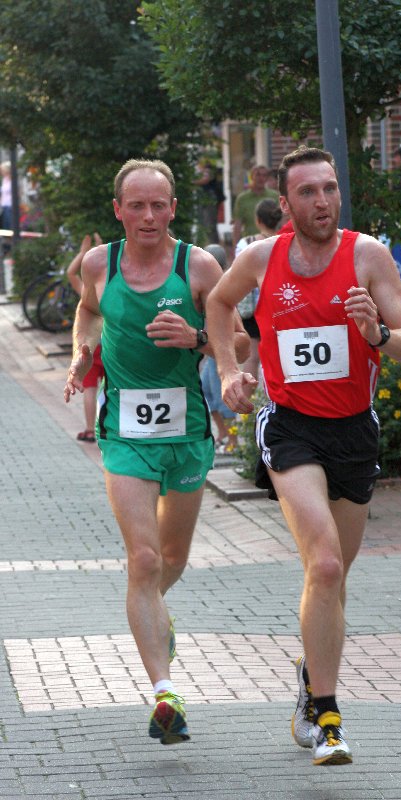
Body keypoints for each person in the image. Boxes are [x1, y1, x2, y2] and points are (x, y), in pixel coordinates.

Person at [206, 145, 401, 766]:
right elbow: (218, 303)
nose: (322, 201)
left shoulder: (367, 256)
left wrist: (377, 333)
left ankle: (311, 674)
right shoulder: (262, 258)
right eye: (308, 192)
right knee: (324, 565)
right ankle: (327, 718)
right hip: (289, 425)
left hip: (354, 429)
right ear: (285, 203)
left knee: (334, 578)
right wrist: (229, 369)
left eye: (329, 189)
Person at [63, 158, 249, 745]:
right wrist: (81, 351)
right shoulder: (99, 264)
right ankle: (165, 692)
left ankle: (152, 616)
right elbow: (88, 311)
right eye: (137, 205)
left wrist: (198, 338)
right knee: (143, 560)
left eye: (158, 205)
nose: (148, 215)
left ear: (173, 209)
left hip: (187, 435)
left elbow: (241, 341)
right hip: (124, 434)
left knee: (171, 558)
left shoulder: (200, 267)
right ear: (118, 210)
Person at [235, 198, 283, 381]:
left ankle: (250, 396)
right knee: (279, 351)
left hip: (252, 307)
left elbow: (237, 273)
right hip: (278, 304)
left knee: (252, 355)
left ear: (258, 220)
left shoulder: (245, 243)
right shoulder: (285, 242)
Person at [200, 244, 238, 452]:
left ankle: (233, 441)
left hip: (220, 347)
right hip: (209, 347)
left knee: (222, 395)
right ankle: (223, 434)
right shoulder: (204, 280)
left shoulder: (224, 283)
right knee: (206, 390)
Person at [66, 232, 104, 442]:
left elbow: (71, 273)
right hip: (111, 344)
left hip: (90, 346)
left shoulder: (86, 291)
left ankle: (90, 429)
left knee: (89, 387)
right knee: (112, 387)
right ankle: (111, 427)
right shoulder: (111, 290)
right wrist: (100, 251)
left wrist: (83, 253)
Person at [231, 165, 278, 250]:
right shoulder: (242, 198)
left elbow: (281, 221)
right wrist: (236, 248)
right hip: (250, 244)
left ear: (267, 178)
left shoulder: (274, 196)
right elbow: (237, 225)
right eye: (258, 174)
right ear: (252, 176)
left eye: (264, 175)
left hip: (271, 244)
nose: (261, 178)